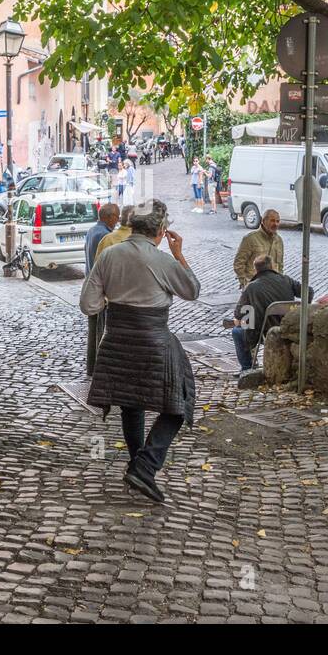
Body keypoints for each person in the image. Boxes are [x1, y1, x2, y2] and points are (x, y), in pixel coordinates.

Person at [80, 200, 200, 503]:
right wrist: (179, 254)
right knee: (179, 402)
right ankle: (145, 467)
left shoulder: (109, 255)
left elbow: (89, 305)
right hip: (153, 341)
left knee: (131, 405)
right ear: (161, 230)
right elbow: (192, 290)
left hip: (117, 340)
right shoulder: (162, 261)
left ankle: (137, 467)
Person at [231, 255, 311, 373]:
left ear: (256, 269)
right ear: (272, 266)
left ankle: (246, 369)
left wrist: (248, 315)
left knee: (237, 332)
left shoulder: (252, 287)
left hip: (264, 331)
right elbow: (309, 291)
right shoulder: (286, 280)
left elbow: (239, 313)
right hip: (288, 327)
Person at [85, 203, 121, 376]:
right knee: (100, 331)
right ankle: (99, 369)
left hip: (91, 286)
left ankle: (91, 367)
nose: (118, 220)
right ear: (109, 217)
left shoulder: (93, 231)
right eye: (116, 216)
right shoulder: (105, 236)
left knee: (93, 331)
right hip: (99, 290)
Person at [233, 209, 284, 288]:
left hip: (273, 286)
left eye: (277, 221)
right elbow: (238, 263)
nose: (276, 224)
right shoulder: (250, 239)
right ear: (263, 221)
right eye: (272, 221)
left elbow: (280, 265)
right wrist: (245, 283)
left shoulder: (279, 240)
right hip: (254, 285)